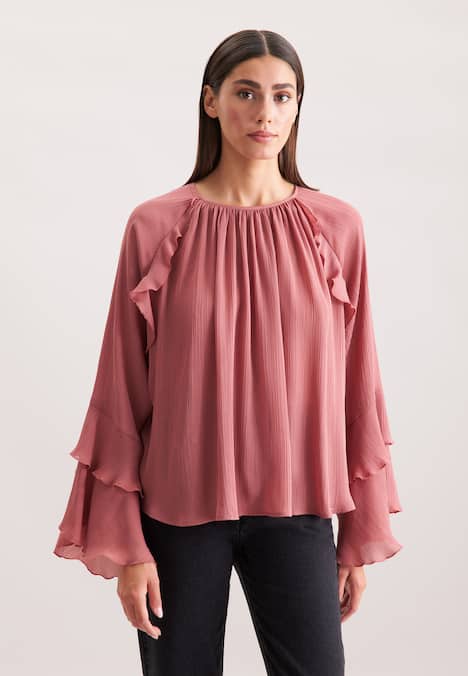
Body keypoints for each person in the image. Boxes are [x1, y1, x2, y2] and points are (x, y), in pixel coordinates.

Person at [53, 29, 403, 676]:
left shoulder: (338, 228)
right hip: (176, 517)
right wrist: (129, 546)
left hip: (298, 508)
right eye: (246, 93)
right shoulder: (156, 227)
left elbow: (359, 384)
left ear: (298, 106)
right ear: (211, 101)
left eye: (282, 96)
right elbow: (121, 386)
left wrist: (358, 533)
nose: (265, 113)